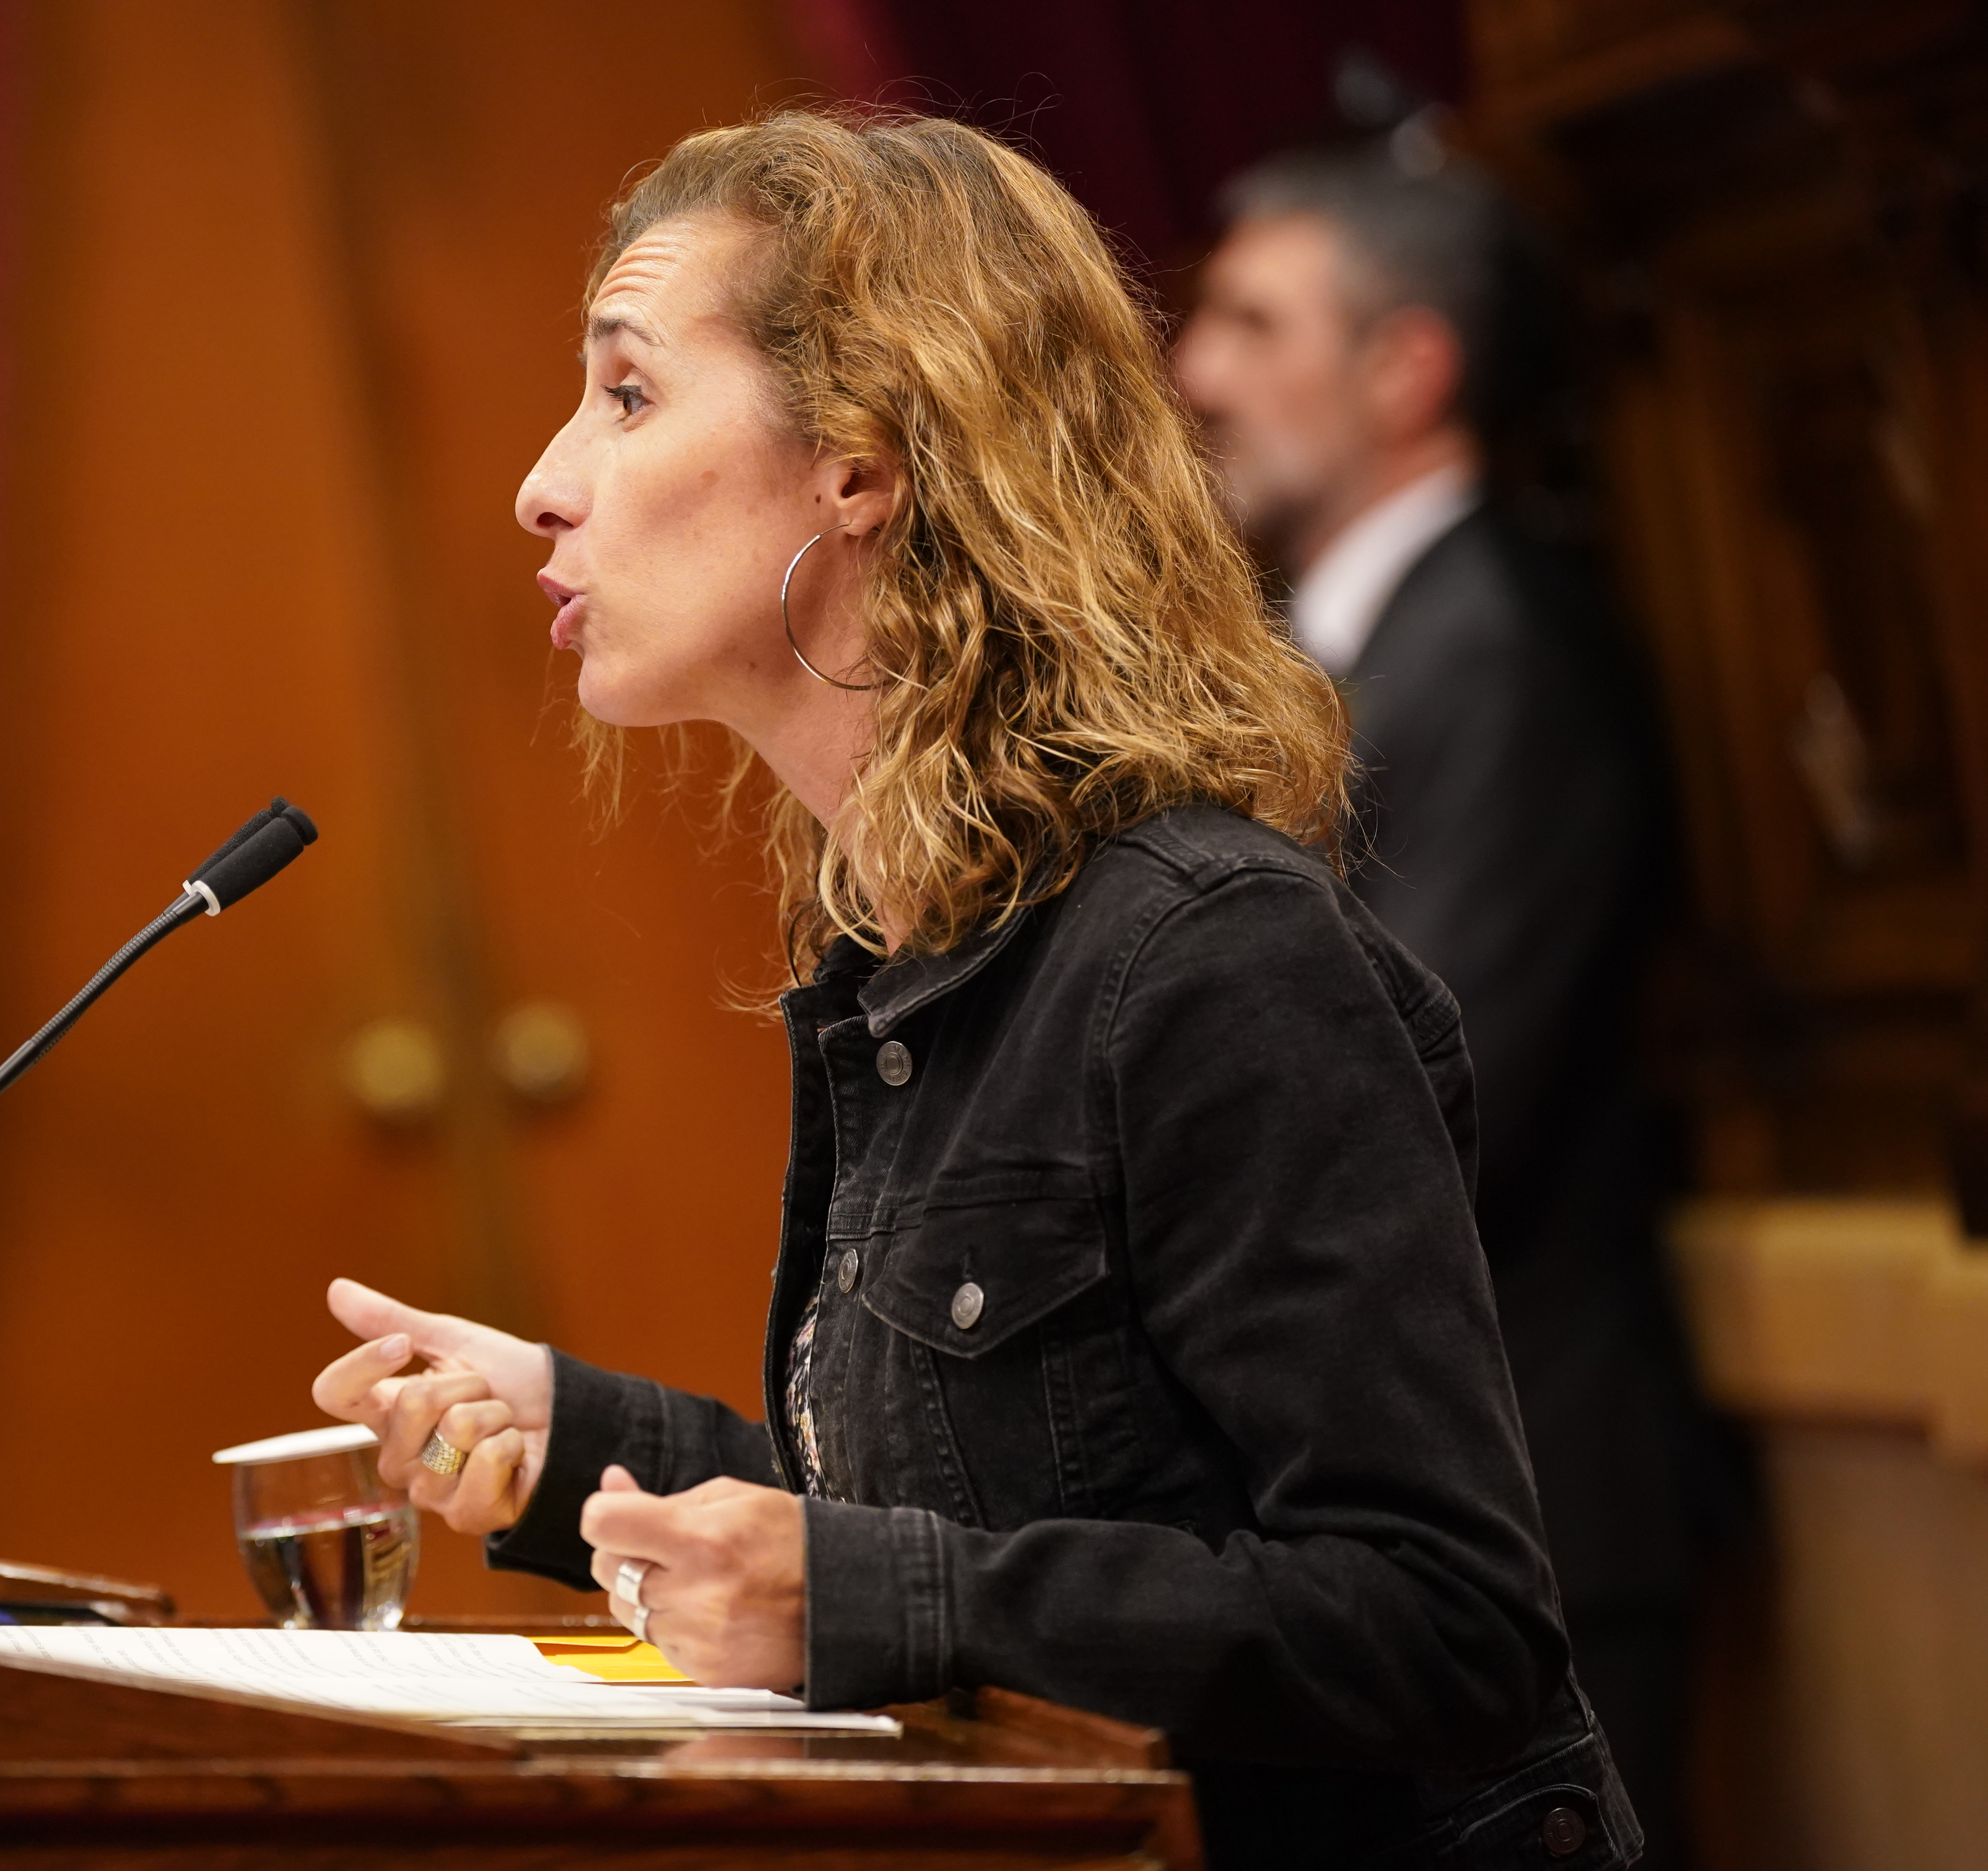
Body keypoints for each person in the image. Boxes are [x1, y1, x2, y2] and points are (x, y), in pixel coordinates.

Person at [309, 110, 1639, 1870]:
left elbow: (1443, 1622)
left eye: (628, 396)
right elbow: (971, 1525)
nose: (544, 485)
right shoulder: (902, 948)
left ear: (860, 463)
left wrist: (856, 1592)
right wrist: (587, 1447)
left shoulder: (1209, 949)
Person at [1173, 138, 1728, 1867]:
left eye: (1258, 323)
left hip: (1529, 1500)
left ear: (1410, 369)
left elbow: (1427, 1091)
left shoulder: (1503, 642)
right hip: (1400, 1516)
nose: (1198, 371)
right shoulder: (1334, 644)